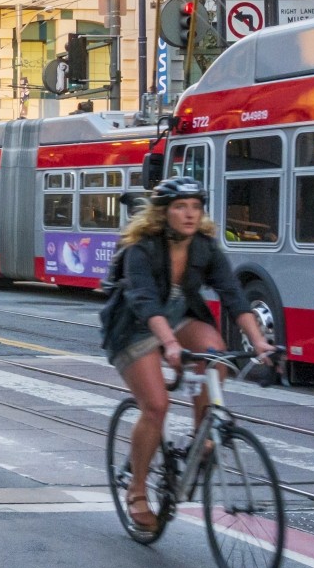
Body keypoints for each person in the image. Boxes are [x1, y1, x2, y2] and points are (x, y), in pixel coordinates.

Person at [100, 176, 272, 532]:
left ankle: (202, 437)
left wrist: (258, 341)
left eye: (195, 207)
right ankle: (136, 490)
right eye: (180, 207)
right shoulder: (141, 249)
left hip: (179, 318)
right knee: (157, 406)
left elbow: (233, 296)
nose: (190, 214)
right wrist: (171, 344)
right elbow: (144, 300)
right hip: (133, 326)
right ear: (163, 214)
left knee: (215, 352)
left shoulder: (204, 247)